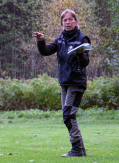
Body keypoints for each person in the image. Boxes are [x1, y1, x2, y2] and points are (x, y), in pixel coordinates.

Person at [33, 9, 90, 157]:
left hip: (76, 82)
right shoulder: (60, 39)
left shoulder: (82, 39)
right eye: (65, 20)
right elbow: (45, 51)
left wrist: (79, 53)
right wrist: (40, 41)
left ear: (76, 21)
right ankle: (80, 149)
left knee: (68, 115)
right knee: (68, 115)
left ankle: (77, 148)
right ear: (62, 23)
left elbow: (85, 62)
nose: (68, 22)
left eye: (70, 19)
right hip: (64, 83)